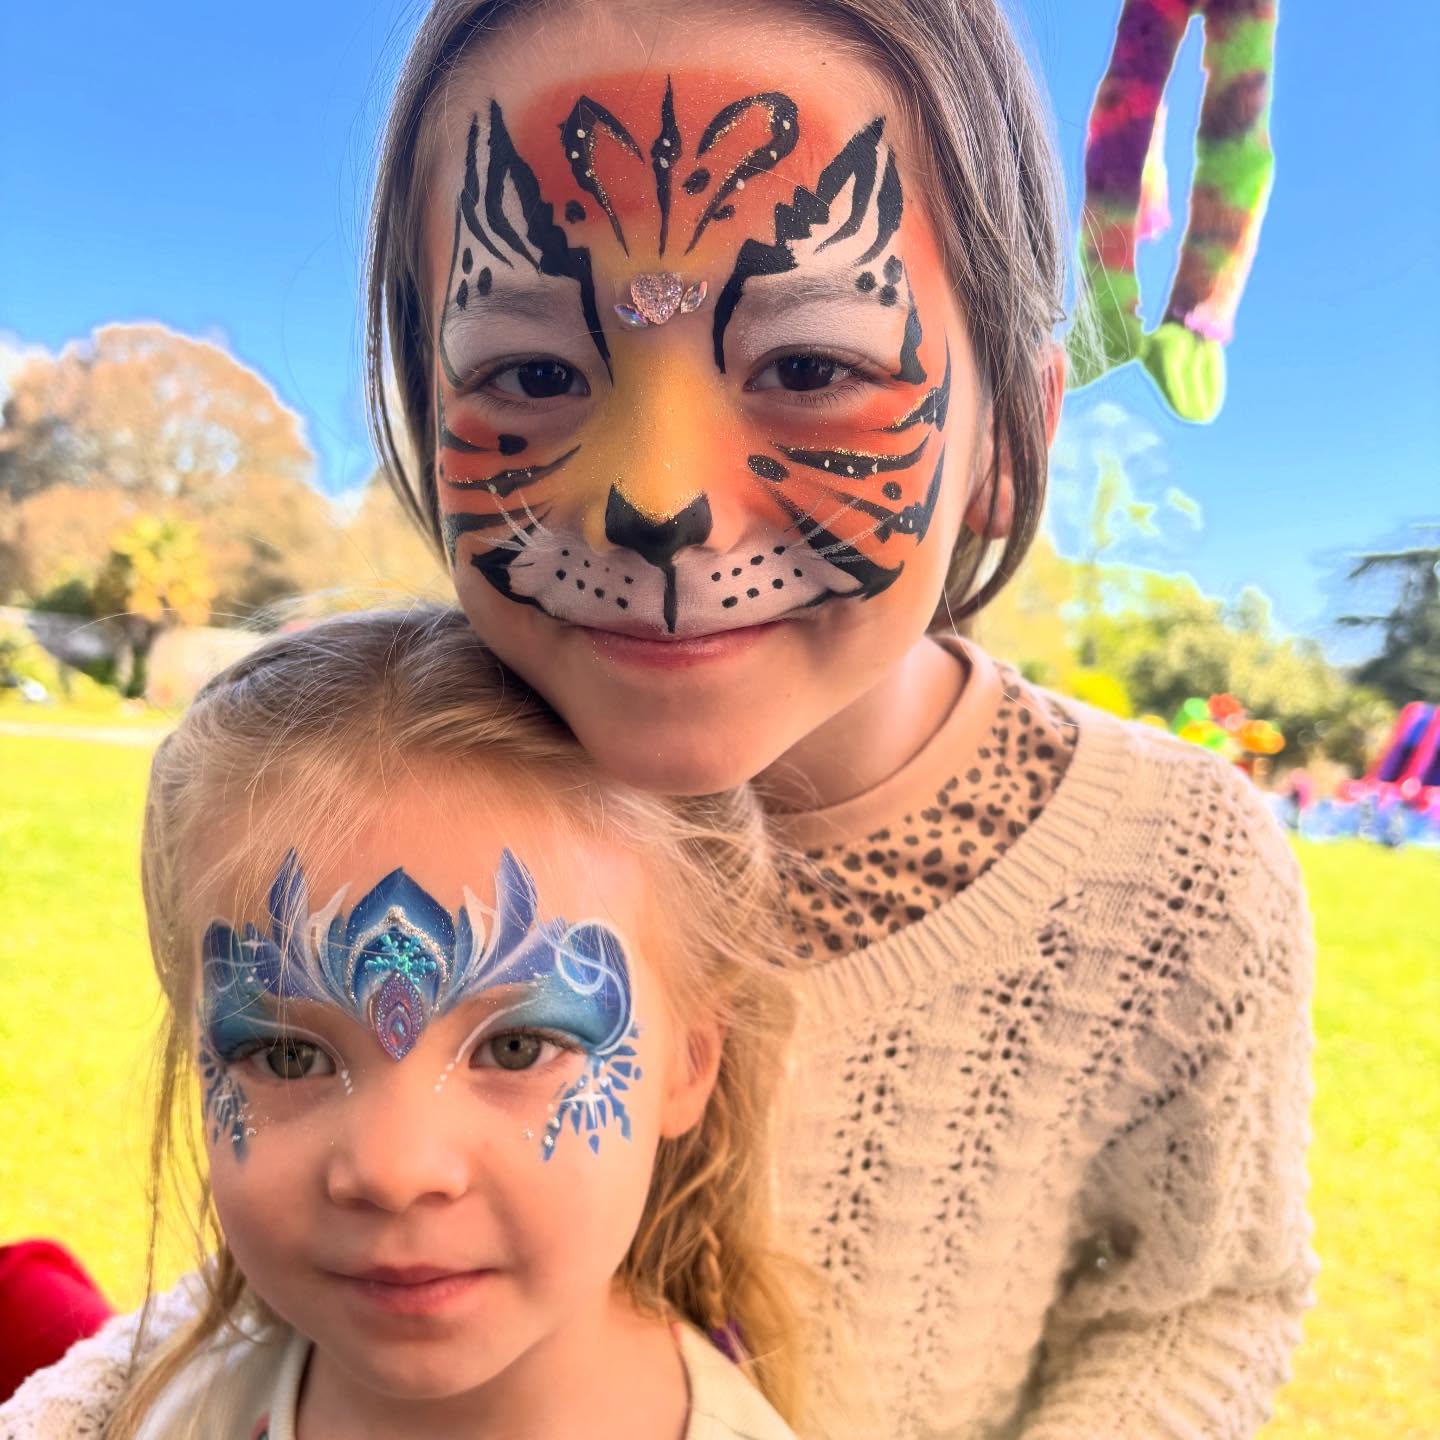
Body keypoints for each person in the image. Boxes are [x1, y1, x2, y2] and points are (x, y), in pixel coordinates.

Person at [20, 1, 1319, 1434]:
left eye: (810, 366)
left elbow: (1201, 1305)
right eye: (529, 373)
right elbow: (306, 1264)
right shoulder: (399, 796)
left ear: (1009, 437)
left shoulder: (1179, 868)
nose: (656, 496)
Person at [1, 609, 803, 1439]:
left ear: (691, 1061)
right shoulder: (170, 1411)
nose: (392, 1168)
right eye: (284, 1055)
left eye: (518, 1046)